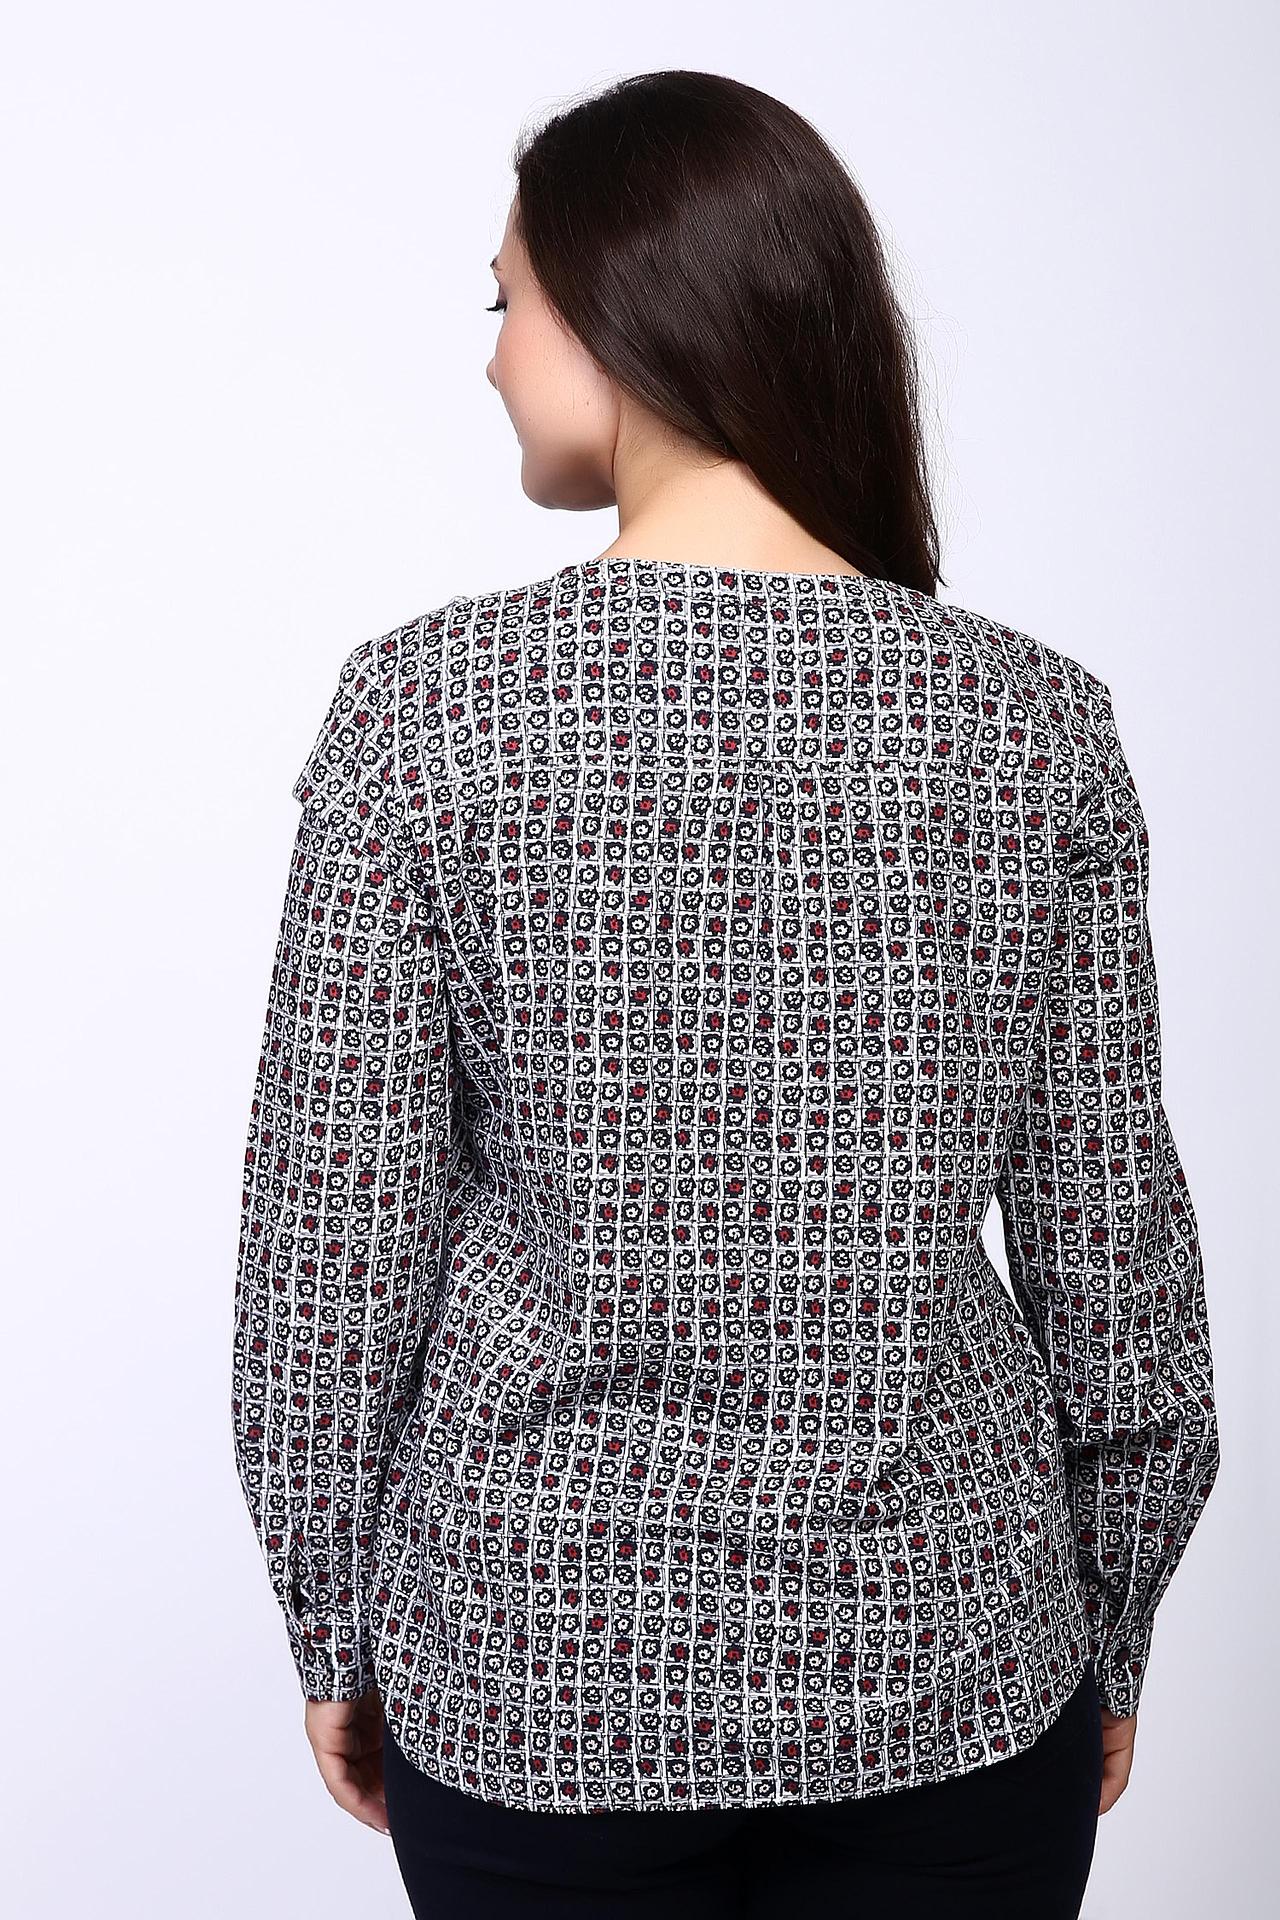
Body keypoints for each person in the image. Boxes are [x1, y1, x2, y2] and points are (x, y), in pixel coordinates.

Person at [230, 69, 1220, 1919]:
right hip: (951, 1662)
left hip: (537, 1671)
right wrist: (1116, 1610)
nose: (491, 354)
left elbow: (330, 1249)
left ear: (625, 305)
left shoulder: (425, 716)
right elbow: (1117, 1252)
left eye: (506, 297)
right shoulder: (1032, 728)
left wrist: (332, 1617)